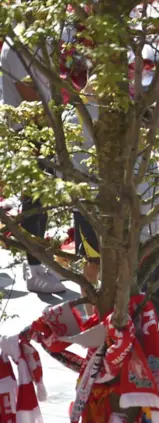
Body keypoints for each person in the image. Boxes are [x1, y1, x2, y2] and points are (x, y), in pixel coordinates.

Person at [2, 39, 65, 294]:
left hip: (44, 128)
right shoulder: (17, 46)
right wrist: (56, 130)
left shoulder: (43, 39)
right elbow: (29, 97)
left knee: (43, 200)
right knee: (34, 201)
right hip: (28, 130)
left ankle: (40, 262)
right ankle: (33, 268)